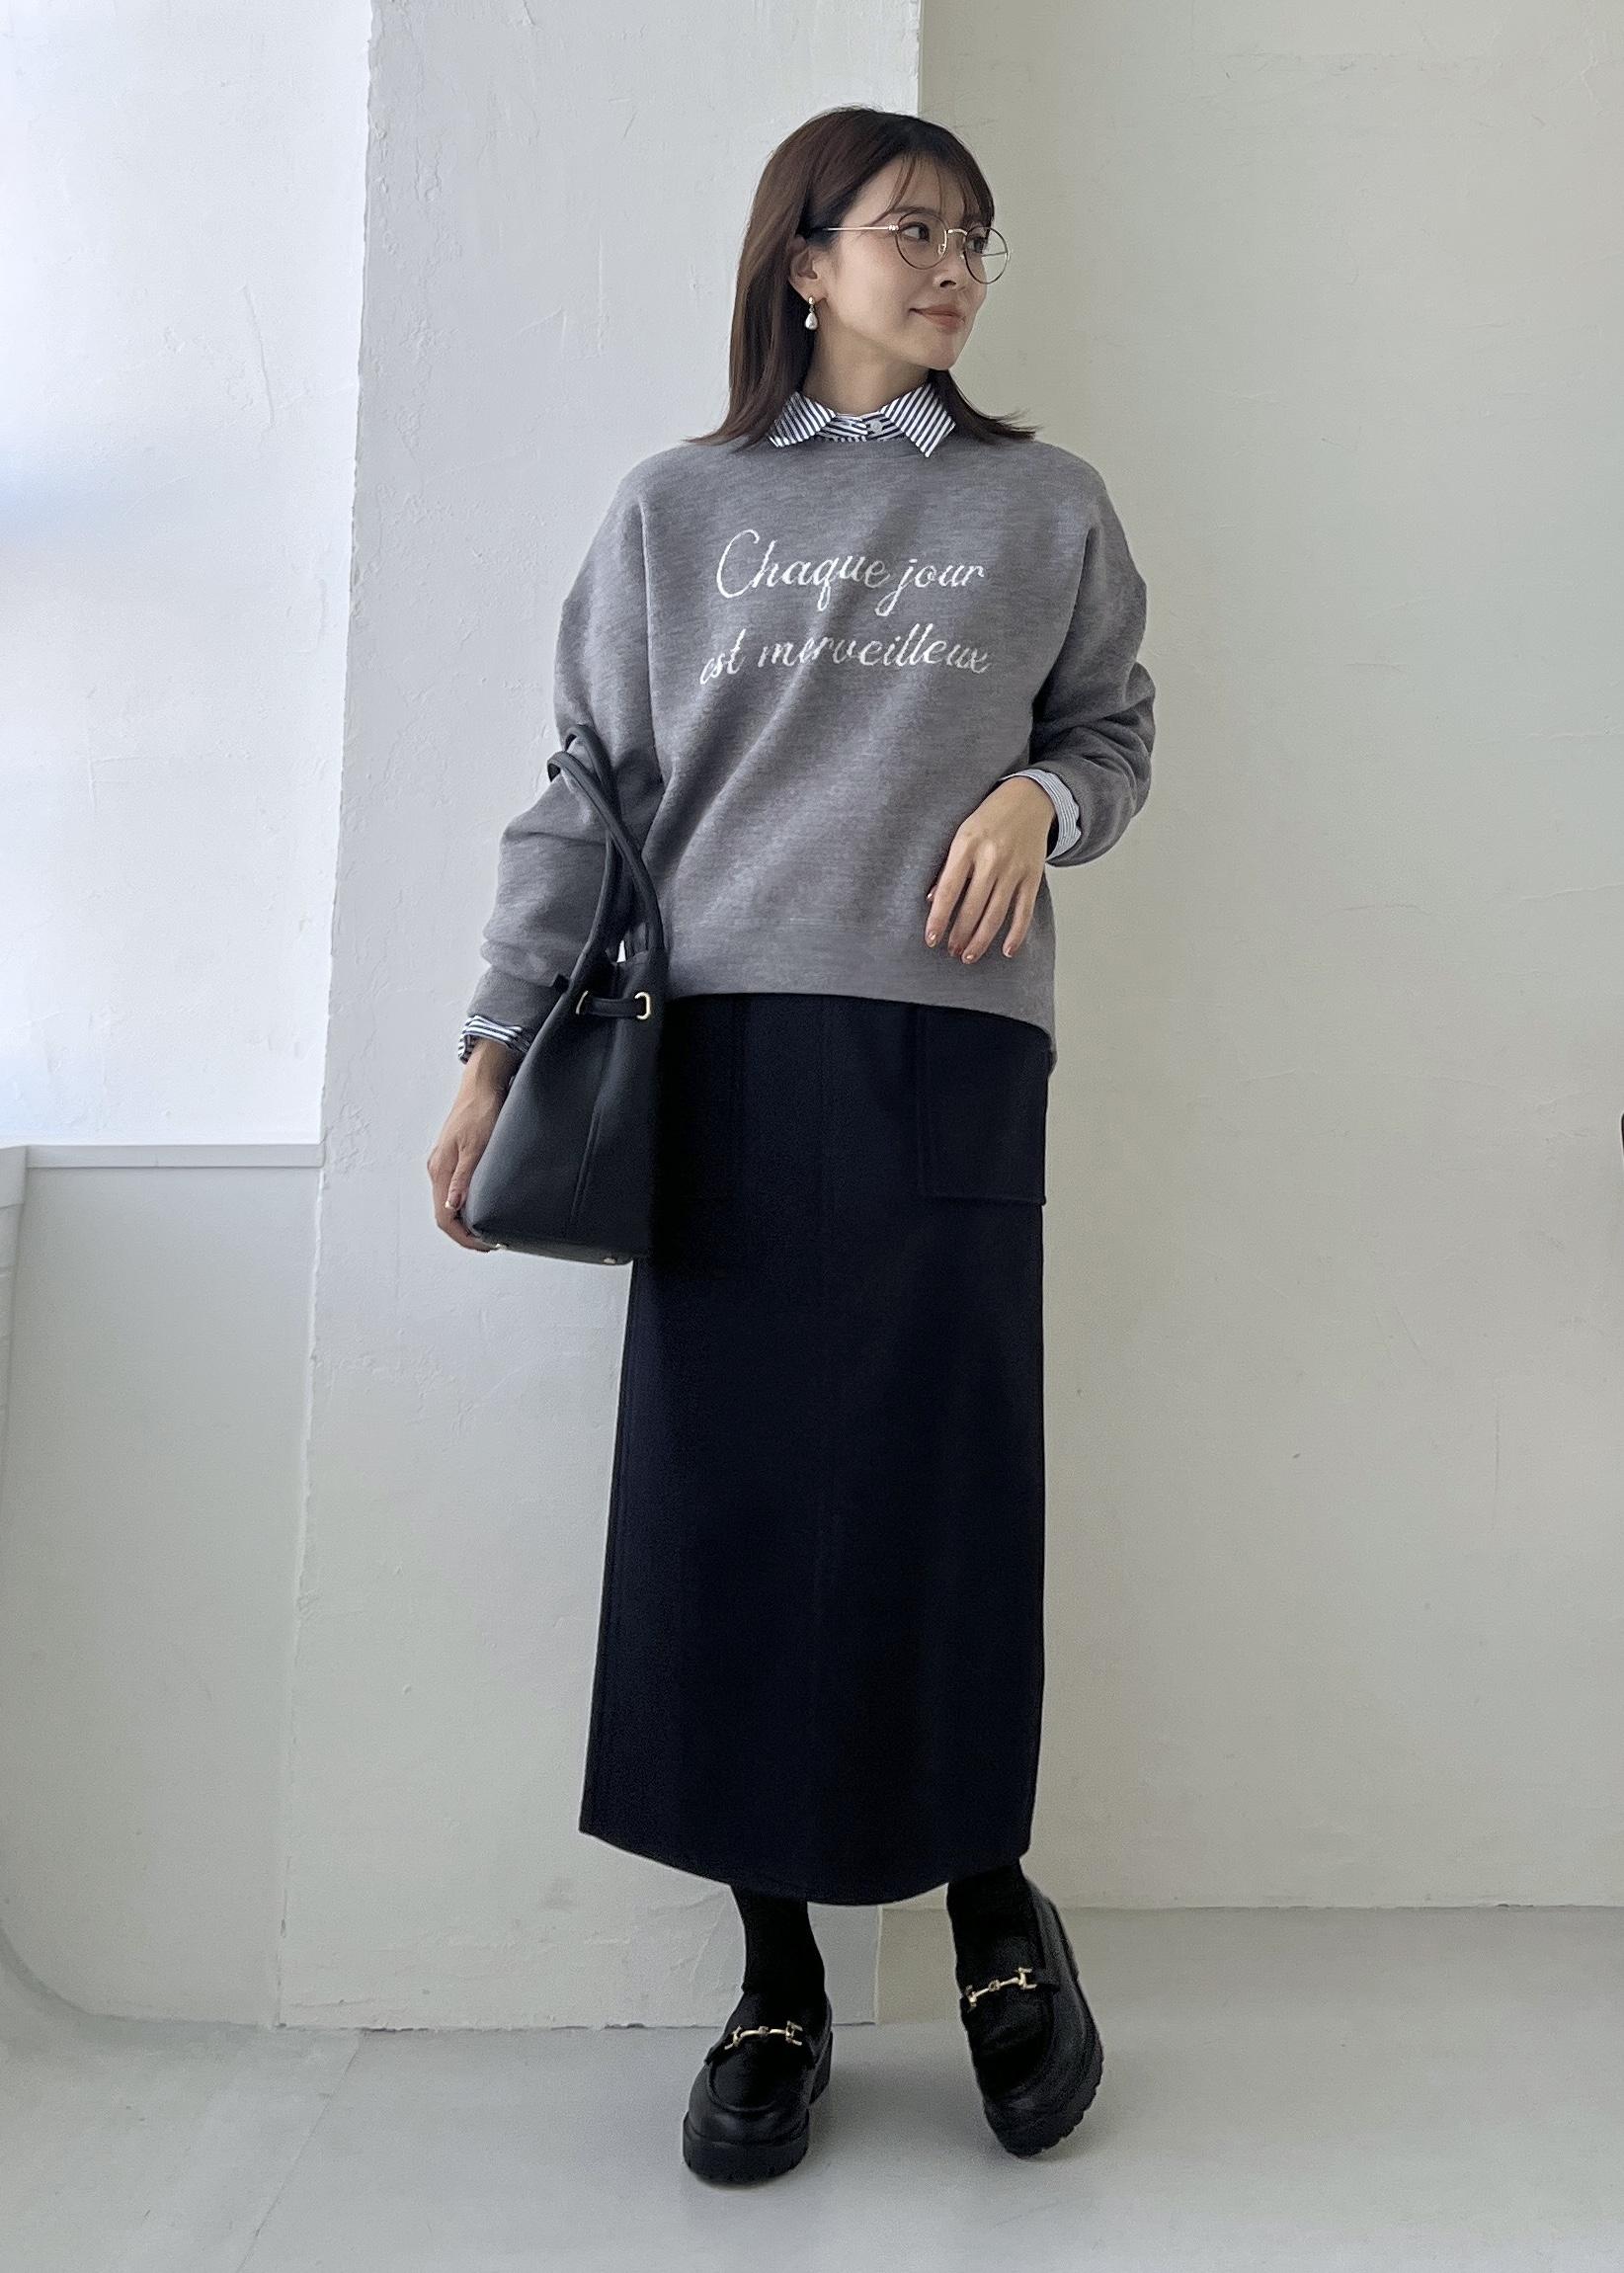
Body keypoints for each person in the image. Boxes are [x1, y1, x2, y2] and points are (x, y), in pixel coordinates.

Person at [427, 104, 1155, 2182]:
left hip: (949, 1052)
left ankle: (994, 1910)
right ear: (805, 260)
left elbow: (1113, 730)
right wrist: (491, 1047)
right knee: (728, 1501)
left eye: (977, 237)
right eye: (913, 230)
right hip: (720, 1051)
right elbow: (590, 786)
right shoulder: (679, 508)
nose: (955, 267)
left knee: (947, 1479)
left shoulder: (1045, 503)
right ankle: (774, 1976)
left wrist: (1040, 801)